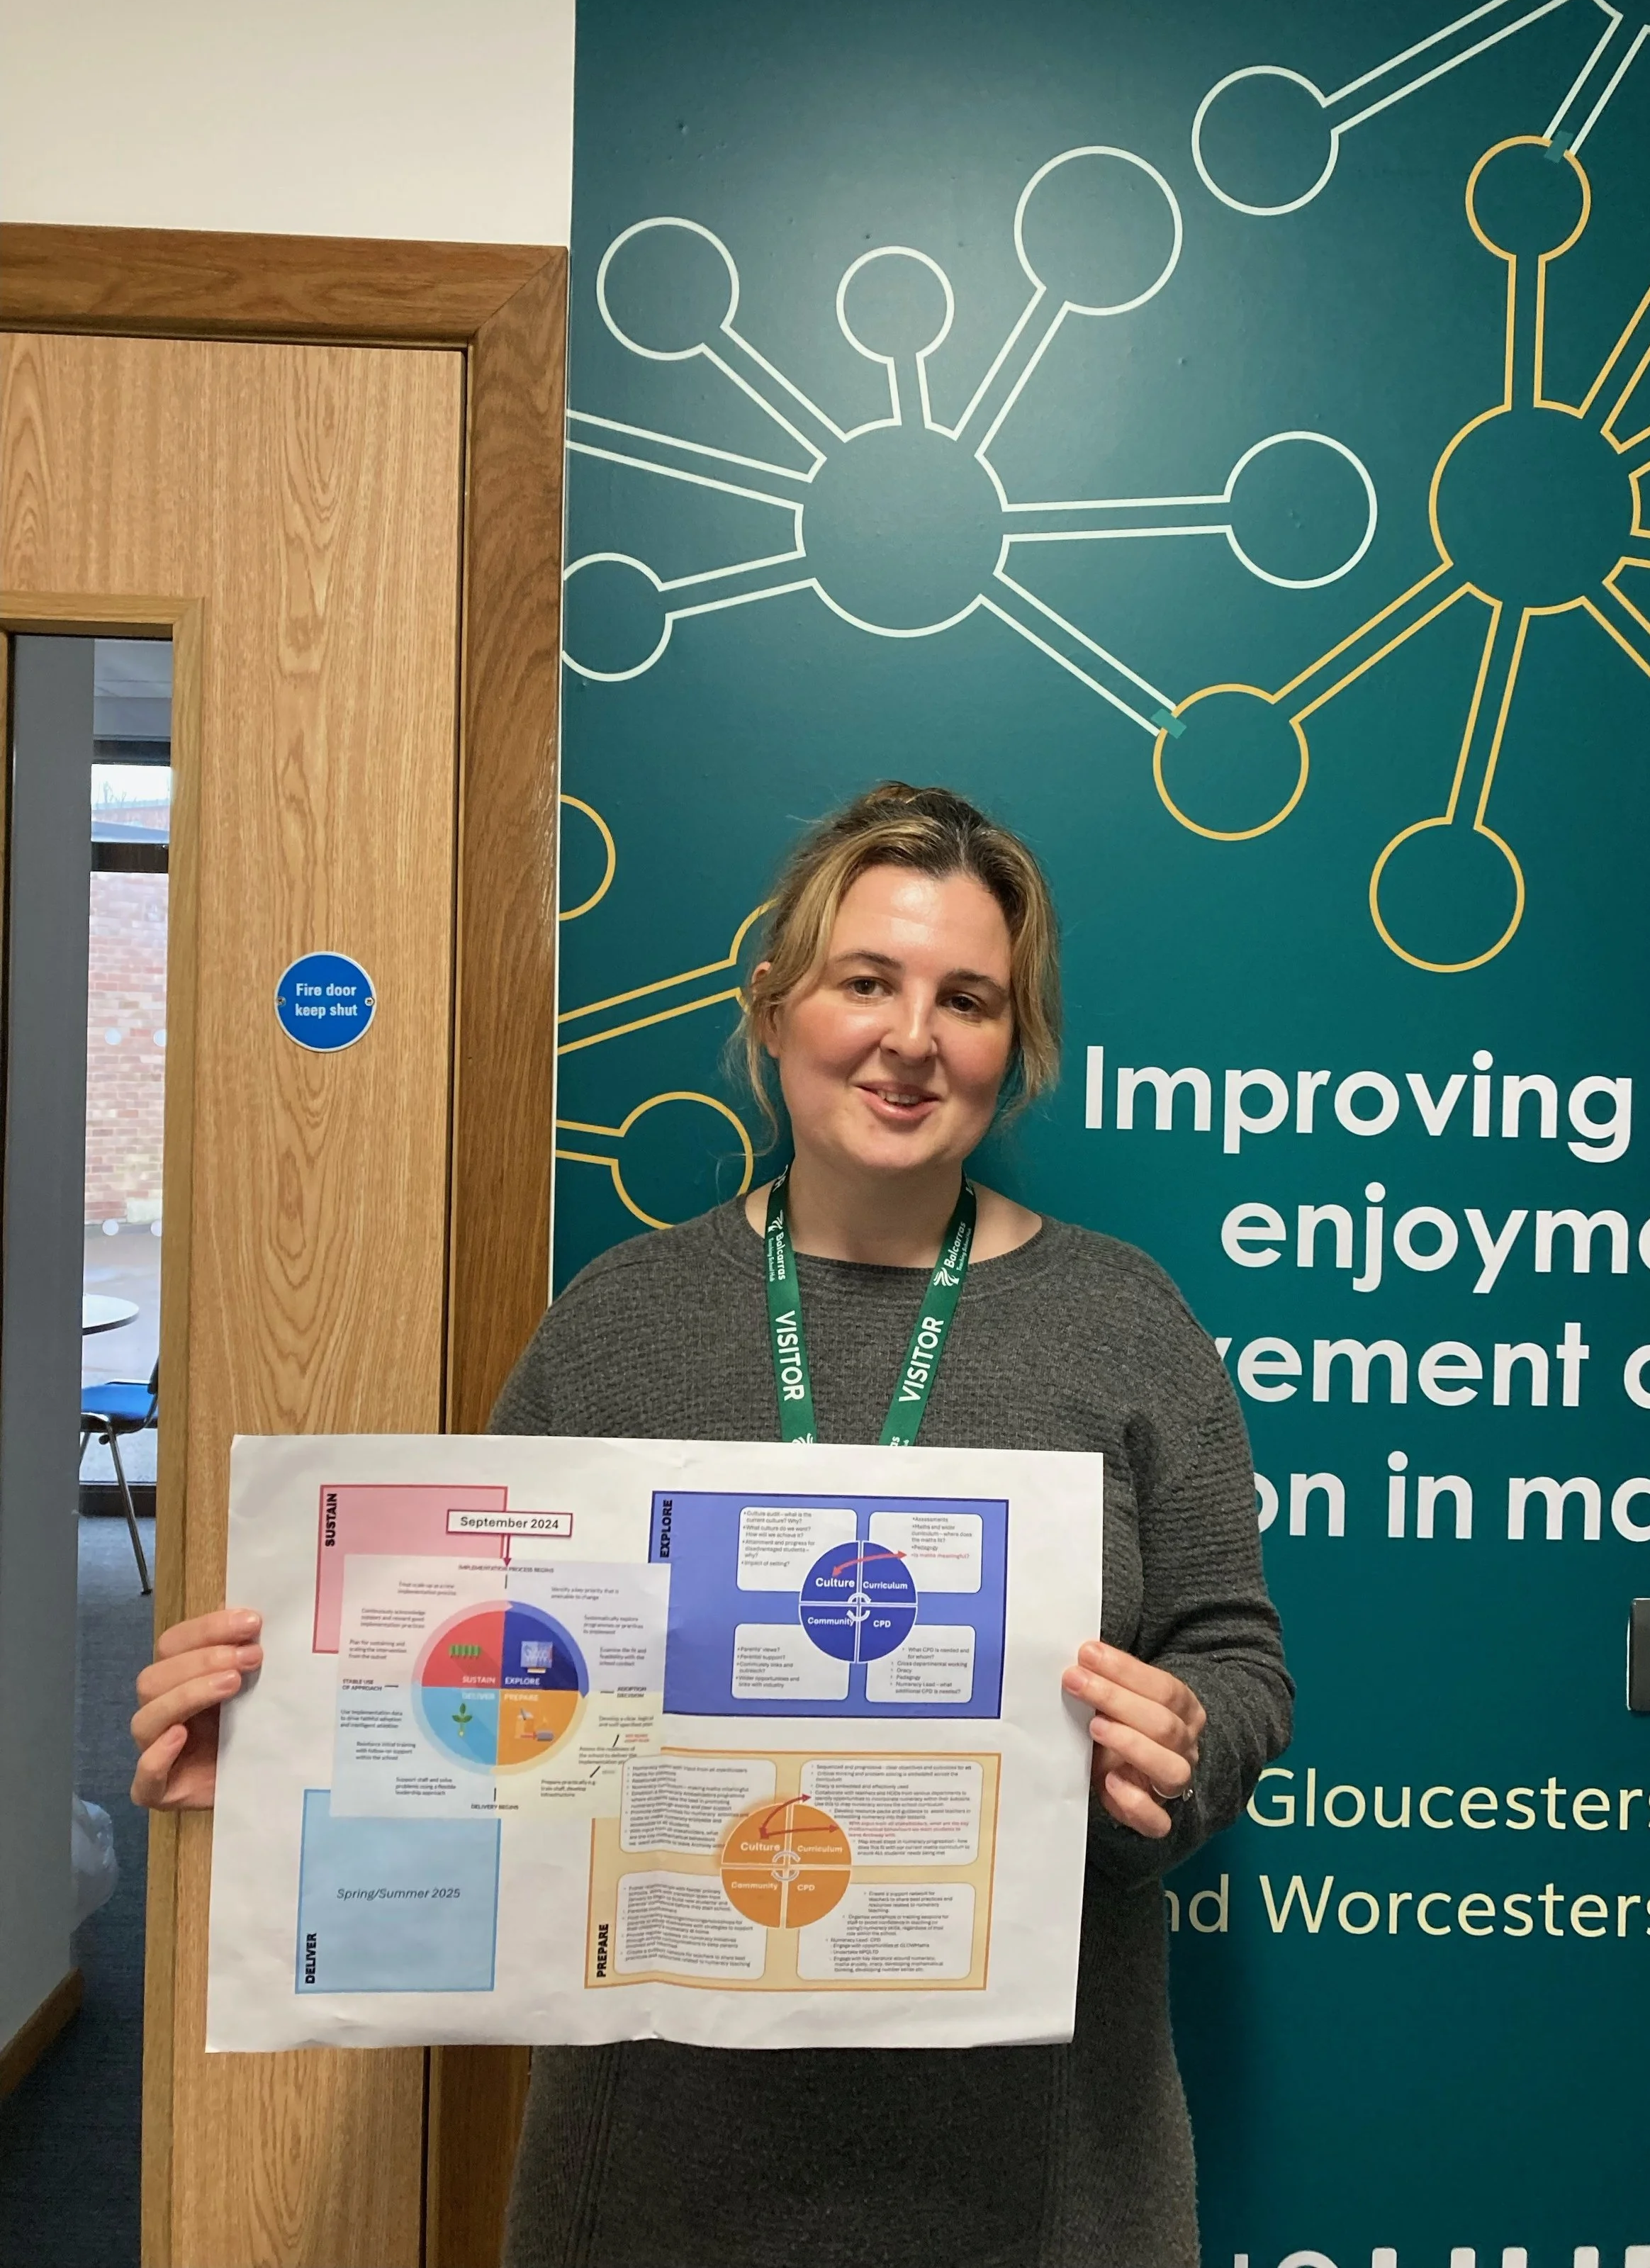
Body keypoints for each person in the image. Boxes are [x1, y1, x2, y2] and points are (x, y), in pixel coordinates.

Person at [132, 781, 1292, 2268]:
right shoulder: (619, 1320)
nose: (911, 1037)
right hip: (662, 2177)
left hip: (1042, 2172)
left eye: (967, 999)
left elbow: (1234, 1654)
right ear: (772, 1007)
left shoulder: (1121, 1320)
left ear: (1015, 1044)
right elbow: (485, 1664)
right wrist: (293, 1746)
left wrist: (1183, 1742)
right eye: (864, 981)